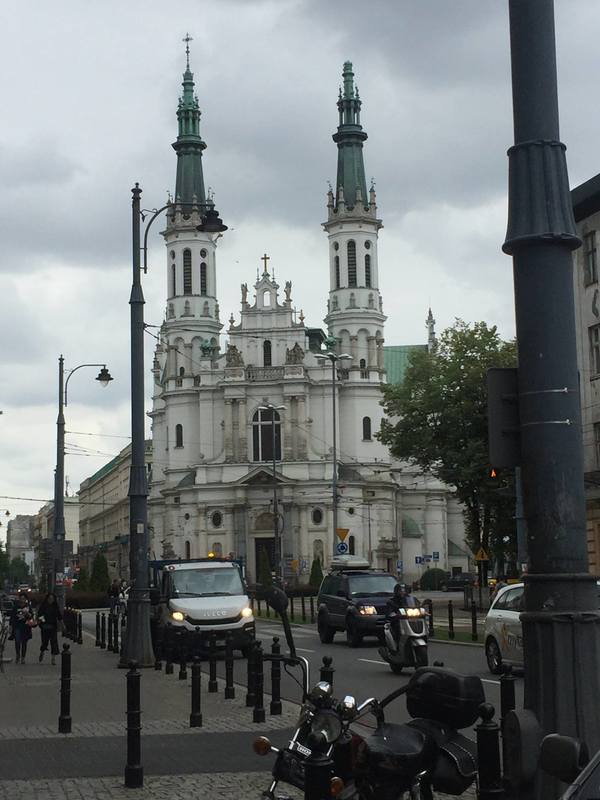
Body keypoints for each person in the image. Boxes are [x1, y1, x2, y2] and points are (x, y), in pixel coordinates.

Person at [37, 592, 62, 665]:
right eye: (49, 599)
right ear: (47, 599)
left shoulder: (55, 606)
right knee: (45, 642)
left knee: (54, 642)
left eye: (52, 599)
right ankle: (42, 651)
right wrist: (42, 622)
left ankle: (53, 658)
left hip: (53, 626)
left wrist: (62, 624)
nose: (51, 600)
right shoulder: (43, 606)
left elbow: (59, 616)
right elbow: (40, 615)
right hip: (45, 626)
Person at [10, 592, 34, 664]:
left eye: (23, 598)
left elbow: (31, 617)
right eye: (21, 598)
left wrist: (27, 613)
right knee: (17, 642)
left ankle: (23, 657)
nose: (22, 600)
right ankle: (18, 655)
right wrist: (11, 626)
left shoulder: (28, 606)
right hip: (17, 626)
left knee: (24, 642)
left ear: (26, 599)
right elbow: (12, 617)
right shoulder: (16, 607)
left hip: (25, 627)